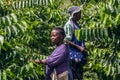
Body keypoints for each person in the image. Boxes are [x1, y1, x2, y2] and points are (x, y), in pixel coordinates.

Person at [64, 6, 88, 80]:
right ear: (74, 14)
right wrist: (79, 47)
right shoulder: (69, 25)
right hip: (72, 55)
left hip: (78, 54)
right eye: (79, 13)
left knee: (79, 76)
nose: (80, 15)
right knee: (73, 75)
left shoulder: (77, 25)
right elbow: (66, 40)